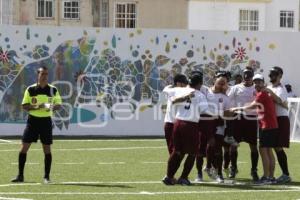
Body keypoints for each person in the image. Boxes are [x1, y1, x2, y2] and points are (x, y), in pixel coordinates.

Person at [11, 66, 62, 184]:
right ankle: (20, 176)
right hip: (32, 121)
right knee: (24, 148)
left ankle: (46, 177)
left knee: (47, 149)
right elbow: (24, 106)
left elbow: (59, 104)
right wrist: (38, 106)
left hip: (46, 122)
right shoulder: (30, 89)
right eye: (42, 74)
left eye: (46, 74)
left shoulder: (53, 90)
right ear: (38, 75)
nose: (44, 76)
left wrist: (53, 107)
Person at [230, 74, 281, 184]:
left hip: (266, 126)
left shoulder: (262, 94)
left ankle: (266, 177)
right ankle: (271, 177)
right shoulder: (266, 92)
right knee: (269, 151)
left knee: (263, 151)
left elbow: (251, 106)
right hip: (272, 125)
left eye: (259, 82)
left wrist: (236, 108)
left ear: (263, 82)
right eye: (256, 82)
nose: (257, 84)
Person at [162, 72, 208, 185]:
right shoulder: (200, 95)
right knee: (192, 153)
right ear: (200, 83)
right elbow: (204, 110)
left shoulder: (179, 90)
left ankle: (168, 176)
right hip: (190, 124)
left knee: (177, 151)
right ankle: (184, 177)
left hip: (177, 123)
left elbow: (166, 90)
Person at [267, 67, 292, 183]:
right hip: (272, 119)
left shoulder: (281, 89)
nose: (272, 76)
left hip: (281, 119)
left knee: (278, 146)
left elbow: (279, 101)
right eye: (271, 74)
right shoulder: (269, 87)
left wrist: (270, 93)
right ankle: (282, 174)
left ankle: (286, 174)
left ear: (280, 76)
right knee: (274, 146)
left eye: (274, 74)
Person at [162, 74, 188, 154]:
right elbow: (174, 99)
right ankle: (172, 165)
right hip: (171, 123)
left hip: (179, 124)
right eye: (184, 83)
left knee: (180, 149)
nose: (186, 85)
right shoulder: (172, 91)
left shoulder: (170, 89)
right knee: (173, 150)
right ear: (178, 83)